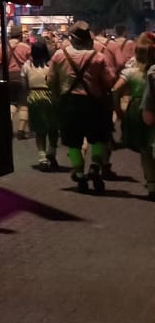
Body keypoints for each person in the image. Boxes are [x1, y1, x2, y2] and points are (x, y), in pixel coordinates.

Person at [48, 20, 115, 194]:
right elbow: (109, 82)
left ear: (71, 38)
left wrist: (57, 97)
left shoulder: (59, 55)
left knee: (73, 142)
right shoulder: (98, 57)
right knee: (98, 138)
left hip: (69, 103)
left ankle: (80, 174)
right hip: (94, 103)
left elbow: (51, 81)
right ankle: (94, 166)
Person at [113, 36, 155, 197]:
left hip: (139, 109)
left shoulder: (131, 72)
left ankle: (151, 184)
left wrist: (118, 111)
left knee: (145, 149)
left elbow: (115, 90)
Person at [22, 39, 58, 170]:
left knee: (39, 129)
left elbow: (24, 84)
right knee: (53, 127)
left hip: (34, 97)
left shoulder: (27, 65)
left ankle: (42, 157)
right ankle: (52, 152)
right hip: (50, 96)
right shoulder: (52, 64)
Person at [0, 25, 32, 138]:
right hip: (22, 77)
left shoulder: (2, 46)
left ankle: (8, 128)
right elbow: (32, 62)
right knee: (23, 103)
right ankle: (21, 130)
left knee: (11, 102)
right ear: (20, 35)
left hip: (8, 77)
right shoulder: (26, 47)